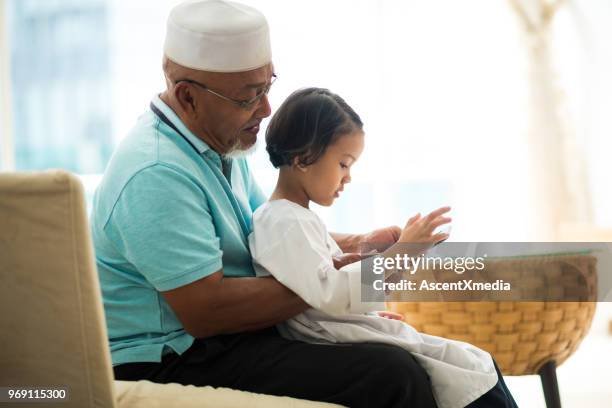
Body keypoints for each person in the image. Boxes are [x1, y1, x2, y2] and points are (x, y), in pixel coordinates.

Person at [88, 1, 511, 407]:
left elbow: (275, 231)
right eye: (248, 97)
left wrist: (356, 245)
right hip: (170, 356)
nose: (267, 109)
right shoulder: (155, 173)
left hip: (224, 337)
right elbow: (207, 311)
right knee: (389, 372)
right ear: (187, 97)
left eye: (267, 86)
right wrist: (338, 283)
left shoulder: (215, 147)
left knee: (408, 352)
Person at [249, 87, 519, 408]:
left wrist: (396, 270)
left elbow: (332, 287)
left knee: (475, 365)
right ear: (303, 157)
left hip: (339, 331)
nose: (348, 178)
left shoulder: (296, 218)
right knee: (473, 372)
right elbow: (331, 294)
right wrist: (403, 251)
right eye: (344, 164)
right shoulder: (282, 221)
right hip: (329, 342)